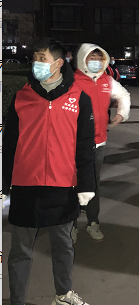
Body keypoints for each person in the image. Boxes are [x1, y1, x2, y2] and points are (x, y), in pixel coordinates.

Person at [3, 38, 96, 305]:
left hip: (62, 184)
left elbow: (85, 145)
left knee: (63, 245)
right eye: (35, 58)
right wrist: (4, 184)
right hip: (25, 184)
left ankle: (63, 295)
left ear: (58, 63)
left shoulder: (79, 98)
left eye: (42, 58)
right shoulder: (22, 97)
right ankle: (17, 301)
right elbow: (9, 144)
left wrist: (86, 184)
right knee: (20, 250)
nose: (37, 63)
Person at [74, 43, 131, 241]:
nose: (96, 62)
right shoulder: (72, 81)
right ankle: (71, 224)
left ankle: (93, 222)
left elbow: (123, 95)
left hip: (99, 142)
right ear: (83, 59)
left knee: (93, 184)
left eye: (99, 59)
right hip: (75, 143)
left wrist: (121, 114)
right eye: (92, 58)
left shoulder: (107, 80)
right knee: (73, 183)